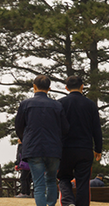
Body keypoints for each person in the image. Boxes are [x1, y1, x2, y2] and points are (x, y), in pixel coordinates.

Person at [15, 75, 70, 206]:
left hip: (33, 148)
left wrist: (25, 139)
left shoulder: (25, 104)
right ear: (49, 88)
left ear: (34, 87)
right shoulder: (57, 105)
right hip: (53, 149)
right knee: (51, 180)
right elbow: (65, 128)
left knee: (38, 183)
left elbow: (18, 127)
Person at [57, 76, 103, 206]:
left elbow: (56, 127)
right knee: (83, 181)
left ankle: (68, 202)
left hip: (65, 148)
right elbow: (96, 128)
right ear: (82, 86)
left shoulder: (60, 103)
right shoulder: (90, 104)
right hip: (85, 148)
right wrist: (98, 149)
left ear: (66, 88)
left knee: (63, 177)